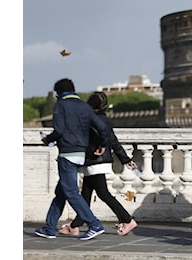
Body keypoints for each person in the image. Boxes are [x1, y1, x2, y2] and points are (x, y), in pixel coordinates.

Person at [35, 78, 109, 240]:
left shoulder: (61, 105)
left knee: (71, 191)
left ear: (59, 93)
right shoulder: (84, 106)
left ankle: (94, 224)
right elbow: (102, 128)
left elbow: (59, 130)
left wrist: (48, 139)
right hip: (80, 154)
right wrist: (102, 144)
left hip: (67, 153)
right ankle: (49, 228)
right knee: (61, 191)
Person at [58, 91, 138, 237]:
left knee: (103, 194)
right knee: (86, 195)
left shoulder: (89, 120)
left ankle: (127, 220)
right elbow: (113, 141)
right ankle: (76, 225)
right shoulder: (105, 120)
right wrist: (125, 159)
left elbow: (90, 141)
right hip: (100, 161)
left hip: (94, 161)